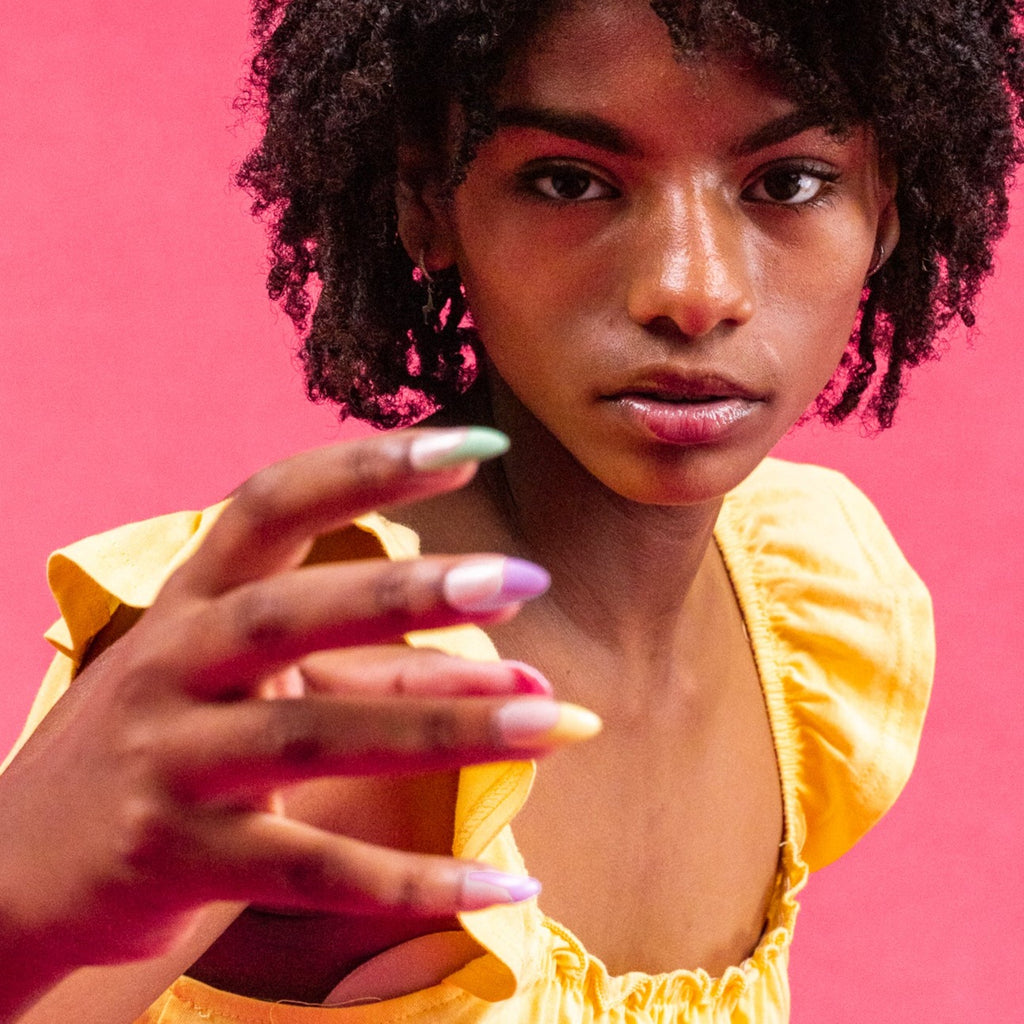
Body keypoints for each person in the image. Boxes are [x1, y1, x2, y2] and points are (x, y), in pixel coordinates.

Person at [1, 0, 1021, 1021]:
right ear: (426, 202)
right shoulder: (317, 668)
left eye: (787, 183)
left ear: (884, 206)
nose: (691, 290)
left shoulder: (804, 601)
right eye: (568, 181)